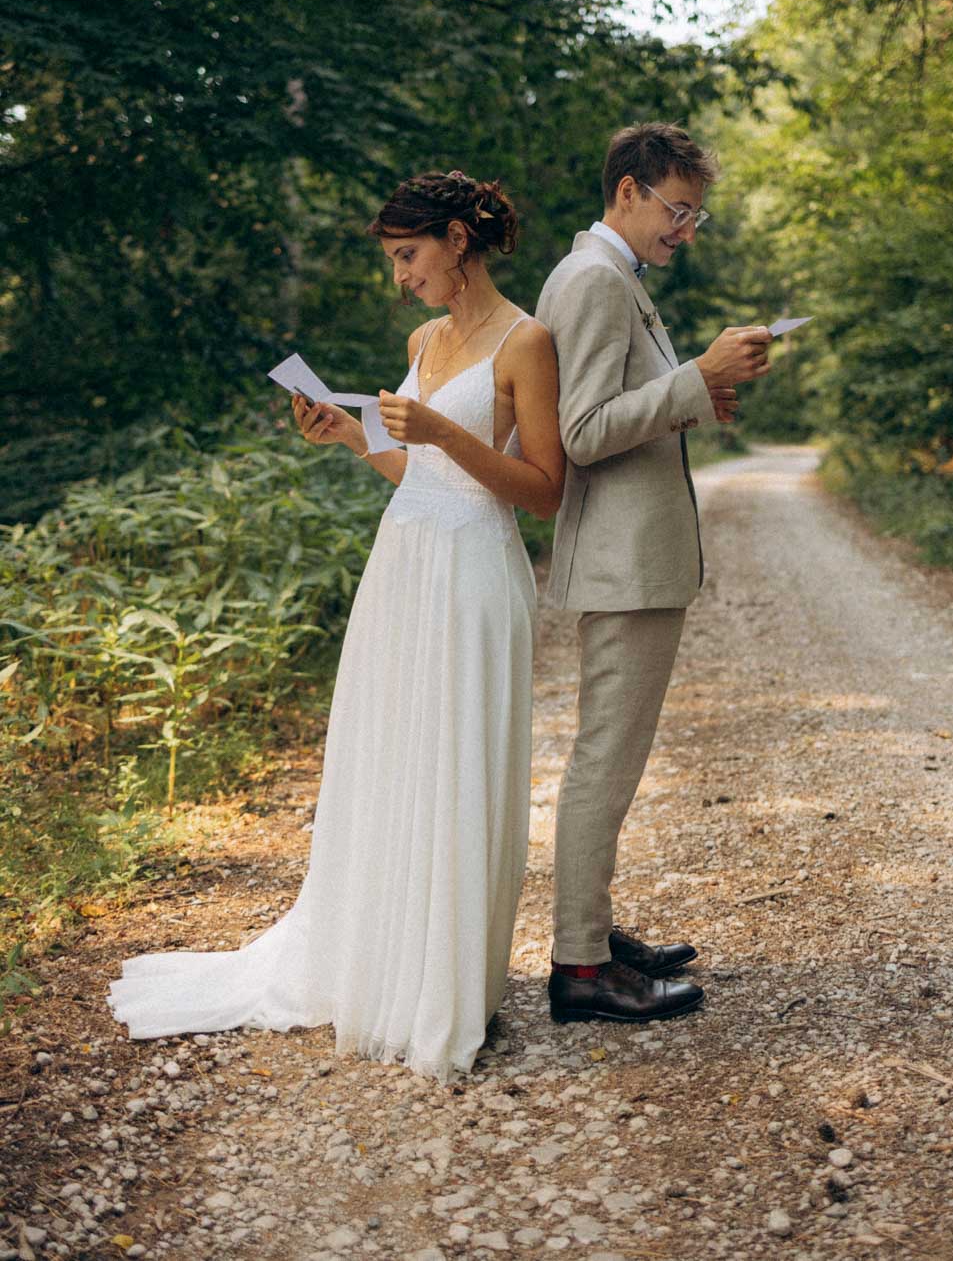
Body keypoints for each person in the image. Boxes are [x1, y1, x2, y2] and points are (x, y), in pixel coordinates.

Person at [107, 170, 565, 1084]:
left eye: (408, 256)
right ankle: (380, 961)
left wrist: (443, 433)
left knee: (457, 762)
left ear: (457, 242)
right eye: (396, 261)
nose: (401, 277)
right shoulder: (423, 337)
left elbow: (544, 492)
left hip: (476, 570)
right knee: (391, 759)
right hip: (402, 567)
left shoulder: (528, 342)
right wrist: (355, 438)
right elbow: (417, 472)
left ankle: (447, 988)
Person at [534, 122, 772, 1025]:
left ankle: (591, 933)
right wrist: (692, 379)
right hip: (621, 562)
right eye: (678, 211)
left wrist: (695, 391)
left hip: (635, 557)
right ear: (627, 191)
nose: (686, 231)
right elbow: (584, 431)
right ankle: (581, 968)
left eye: (696, 216)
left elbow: (619, 410)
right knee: (606, 760)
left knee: (613, 757)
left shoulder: (613, 276)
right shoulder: (594, 281)